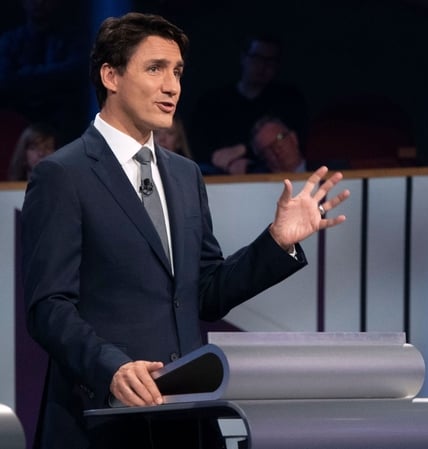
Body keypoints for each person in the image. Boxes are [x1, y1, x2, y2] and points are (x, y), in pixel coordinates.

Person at [21, 12, 349, 449]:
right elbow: (49, 306)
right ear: (110, 75)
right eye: (155, 69)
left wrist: (276, 242)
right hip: (102, 419)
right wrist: (112, 368)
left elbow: (207, 293)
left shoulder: (184, 174)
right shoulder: (63, 174)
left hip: (184, 419)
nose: (172, 86)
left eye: (177, 72)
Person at [190, 32, 308, 174]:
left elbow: (295, 147)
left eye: (270, 61)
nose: (263, 66)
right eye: (257, 58)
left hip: (273, 177)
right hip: (219, 176)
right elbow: (199, 148)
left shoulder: (287, 100)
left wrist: (243, 150)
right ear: (244, 58)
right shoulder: (213, 101)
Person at [0, 0, 90, 142]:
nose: (39, 3)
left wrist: (24, 75)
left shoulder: (72, 39)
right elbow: (5, 80)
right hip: (18, 124)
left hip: (64, 125)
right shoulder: (10, 40)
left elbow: (74, 72)